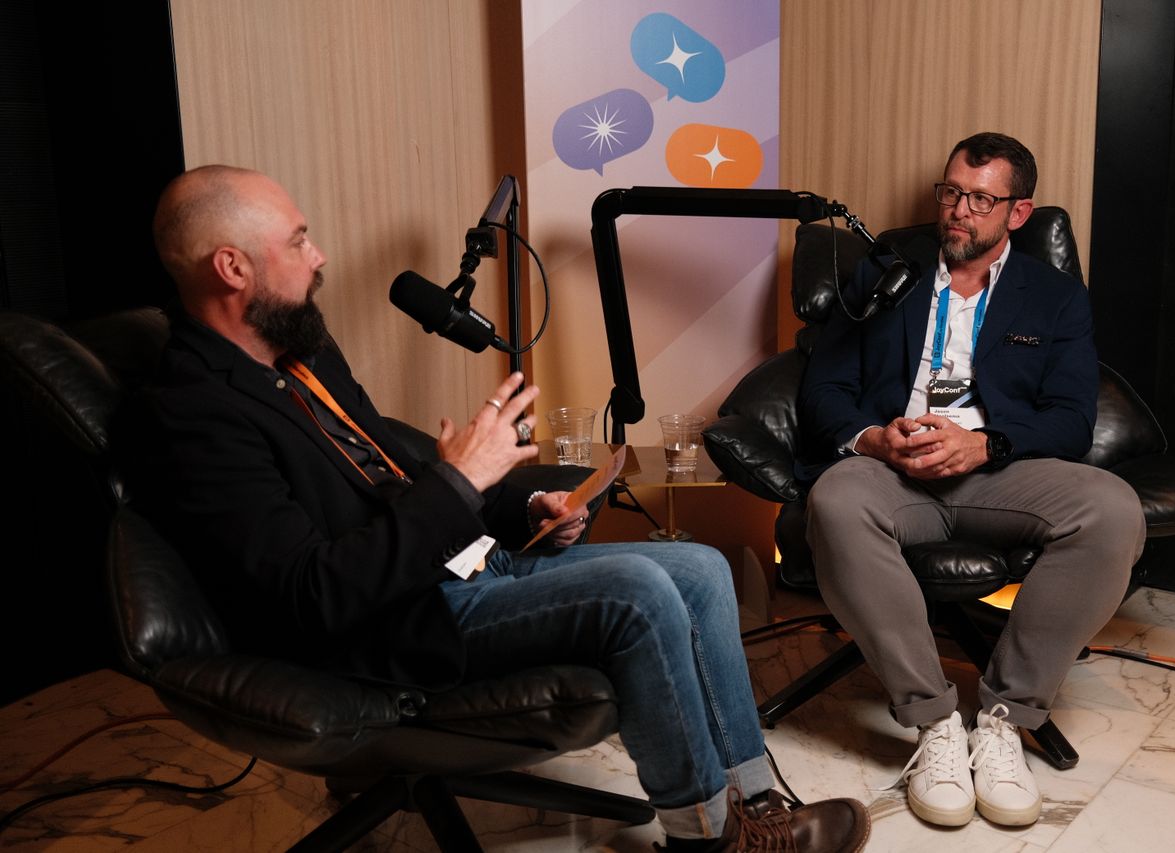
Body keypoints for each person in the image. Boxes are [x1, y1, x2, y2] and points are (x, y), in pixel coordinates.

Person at [122, 165, 869, 852]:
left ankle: (760, 803)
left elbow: (398, 466)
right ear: (232, 267)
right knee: (639, 595)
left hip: (455, 566)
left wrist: (521, 505)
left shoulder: (300, 353)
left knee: (701, 569)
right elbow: (313, 594)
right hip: (391, 622)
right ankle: (710, 840)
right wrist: (455, 485)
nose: (318, 257)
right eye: (298, 240)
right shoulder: (196, 413)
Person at [797, 133, 1146, 828]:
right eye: (950, 192)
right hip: (892, 473)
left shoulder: (1054, 298)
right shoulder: (882, 273)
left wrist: (985, 443)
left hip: (999, 472)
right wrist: (874, 438)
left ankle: (1003, 721)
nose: (958, 211)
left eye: (980, 199)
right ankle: (935, 728)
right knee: (834, 498)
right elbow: (822, 388)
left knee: (1113, 509)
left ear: (1019, 212)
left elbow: (1073, 420)